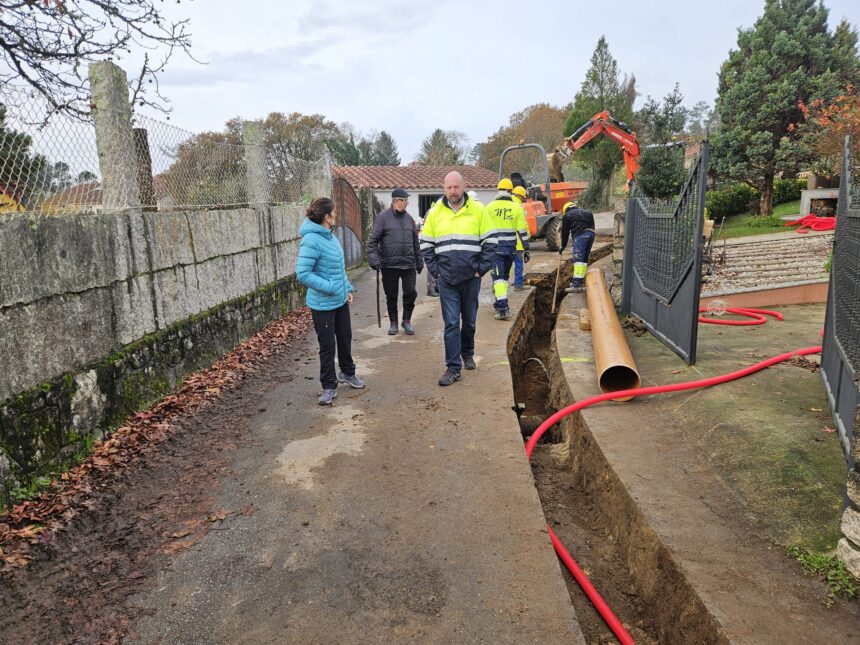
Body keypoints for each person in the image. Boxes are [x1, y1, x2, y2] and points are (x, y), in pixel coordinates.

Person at [420, 171, 495, 386]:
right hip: (447, 280)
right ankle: (453, 368)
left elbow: (491, 242)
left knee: (469, 321)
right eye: (449, 187)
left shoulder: (479, 210)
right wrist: (436, 271)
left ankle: (468, 352)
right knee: (451, 323)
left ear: (464, 186)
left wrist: (481, 269)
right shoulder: (435, 213)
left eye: (456, 187)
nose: (453, 191)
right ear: (444, 188)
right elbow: (426, 245)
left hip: (471, 278)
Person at [297, 197, 365, 405]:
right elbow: (302, 274)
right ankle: (328, 386)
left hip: (340, 300)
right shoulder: (311, 240)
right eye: (333, 212)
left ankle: (347, 373)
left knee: (345, 338)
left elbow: (338, 268)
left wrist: (346, 288)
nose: (336, 215)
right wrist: (330, 287)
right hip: (322, 304)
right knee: (327, 346)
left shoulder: (330, 237)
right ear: (326, 217)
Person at [367, 187, 424, 335]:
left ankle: (406, 321)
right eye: (405, 200)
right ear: (396, 201)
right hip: (389, 265)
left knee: (411, 293)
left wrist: (419, 261)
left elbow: (415, 242)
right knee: (391, 295)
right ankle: (393, 323)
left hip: (408, 265)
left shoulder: (410, 219)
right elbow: (372, 242)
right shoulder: (382, 218)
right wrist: (374, 260)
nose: (407, 203)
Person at [484, 180, 529, 320]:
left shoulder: (489, 208)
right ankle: (500, 304)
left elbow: (483, 230)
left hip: (494, 249)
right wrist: (526, 249)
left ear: (498, 190)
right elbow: (522, 231)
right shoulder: (517, 208)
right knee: (503, 279)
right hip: (511, 249)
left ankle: (502, 309)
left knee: (498, 279)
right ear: (511, 191)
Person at [557, 201, 596, 293]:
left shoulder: (567, 216)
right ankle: (579, 281)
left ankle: (577, 285)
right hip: (591, 234)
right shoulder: (588, 213)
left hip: (580, 236)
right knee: (584, 260)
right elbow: (592, 226)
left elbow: (565, 233)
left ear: (565, 210)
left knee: (578, 260)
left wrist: (563, 246)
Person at [511, 185, 530, 290]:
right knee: (518, 264)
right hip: (518, 243)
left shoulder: (506, 205)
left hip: (505, 243)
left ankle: (499, 284)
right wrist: (526, 246)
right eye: (523, 197)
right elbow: (522, 229)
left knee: (504, 265)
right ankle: (518, 284)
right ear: (520, 196)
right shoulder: (519, 208)